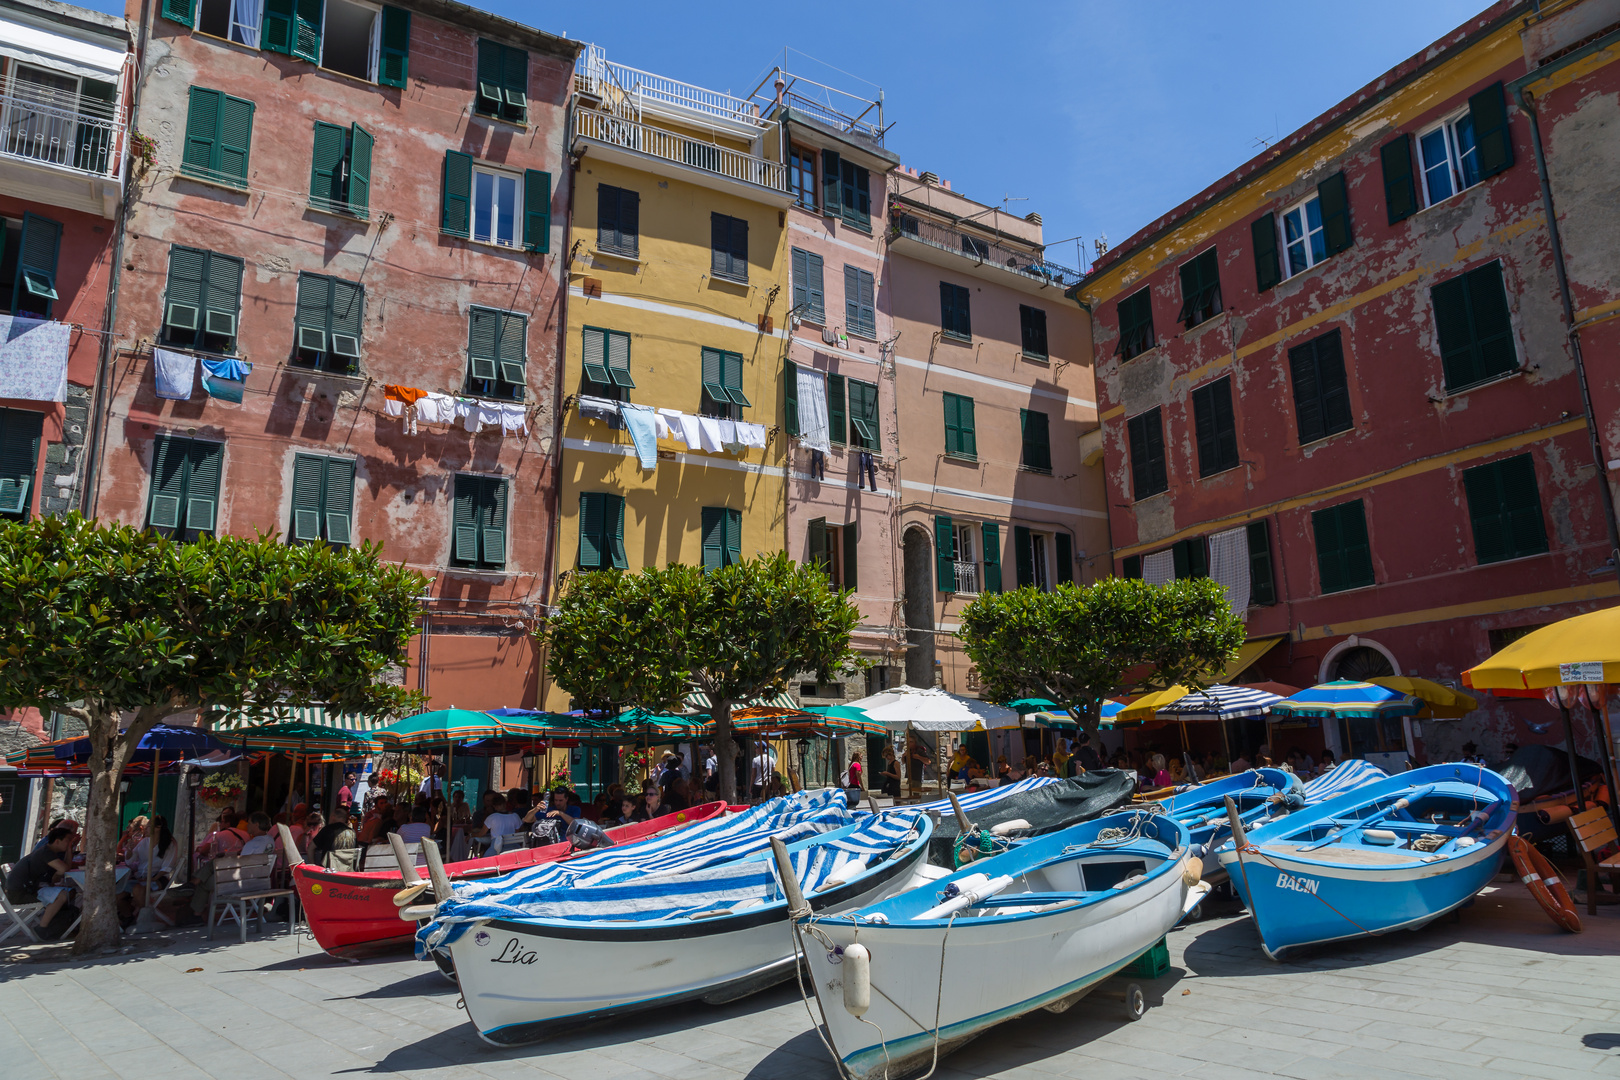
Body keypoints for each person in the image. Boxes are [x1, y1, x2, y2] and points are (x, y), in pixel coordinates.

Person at [6, 827, 76, 935]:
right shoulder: (46, 852)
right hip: (20, 894)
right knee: (62, 895)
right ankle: (42, 929)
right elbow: (63, 869)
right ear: (57, 841)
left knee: (70, 892)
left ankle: (61, 925)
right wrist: (58, 873)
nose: (69, 843)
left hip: (28, 890)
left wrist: (69, 850)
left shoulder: (50, 852)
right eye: (68, 840)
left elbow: (64, 869)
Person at [128, 816, 178, 909]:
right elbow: (130, 860)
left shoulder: (169, 844)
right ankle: (128, 914)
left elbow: (166, 867)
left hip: (159, 878)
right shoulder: (144, 842)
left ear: (158, 828)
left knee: (138, 889)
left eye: (148, 826)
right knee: (119, 891)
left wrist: (153, 879)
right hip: (141, 877)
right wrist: (129, 851)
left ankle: (143, 914)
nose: (145, 829)